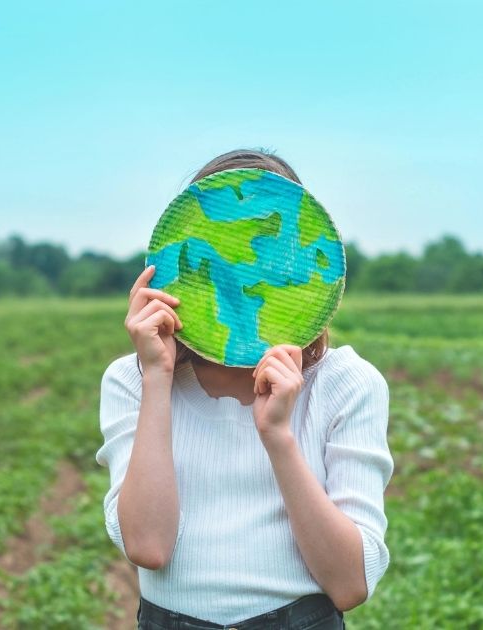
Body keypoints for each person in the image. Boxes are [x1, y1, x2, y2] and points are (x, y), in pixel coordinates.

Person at [96, 149, 394, 630]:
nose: (243, 270)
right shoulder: (132, 380)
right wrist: (157, 378)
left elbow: (348, 584)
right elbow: (149, 547)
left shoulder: (345, 384)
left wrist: (277, 436)